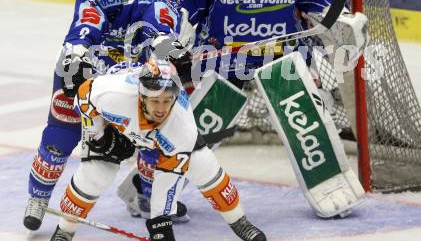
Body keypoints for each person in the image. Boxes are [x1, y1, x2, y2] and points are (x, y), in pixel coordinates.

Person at [173, 0, 367, 218]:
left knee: (304, 121)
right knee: (203, 127)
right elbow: (183, 5)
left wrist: (345, 22)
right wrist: (175, 39)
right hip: (227, 57)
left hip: (281, 53)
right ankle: (150, 186)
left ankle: (330, 183)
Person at [23, 0, 188, 231]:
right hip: (84, 69)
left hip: (130, 77)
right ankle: (38, 198)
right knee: (59, 136)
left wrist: (166, 45)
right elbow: (86, 23)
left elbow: (159, 25)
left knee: (151, 139)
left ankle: (149, 197)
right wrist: (76, 54)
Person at [49, 59, 266, 241]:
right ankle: (64, 231)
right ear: (141, 95)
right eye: (155, 101)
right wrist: (100, 135)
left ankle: (240, 222)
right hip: (115, 126)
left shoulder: (182, 127)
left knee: (203, 166)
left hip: (159, 137)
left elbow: (167, 176)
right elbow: (84, 96)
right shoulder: (113, 94)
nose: (161, 109)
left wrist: (160, 222)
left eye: (166, 100)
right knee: (96, 174)